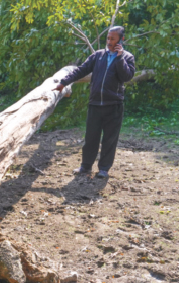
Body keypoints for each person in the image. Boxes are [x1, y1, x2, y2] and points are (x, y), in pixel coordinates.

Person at [53, 26, 135, 178]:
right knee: (91, 137)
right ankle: (85, 167)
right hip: (95, 104)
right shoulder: (98, 55)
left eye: (113, 39)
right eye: (108, 38)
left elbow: (126, 77)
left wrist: (119, 57)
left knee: (110, 139)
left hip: (114, 105)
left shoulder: (127, 57)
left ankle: (104, 169)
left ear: (121, 40)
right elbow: (81, 70)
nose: (109, 41)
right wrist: (64, 82)